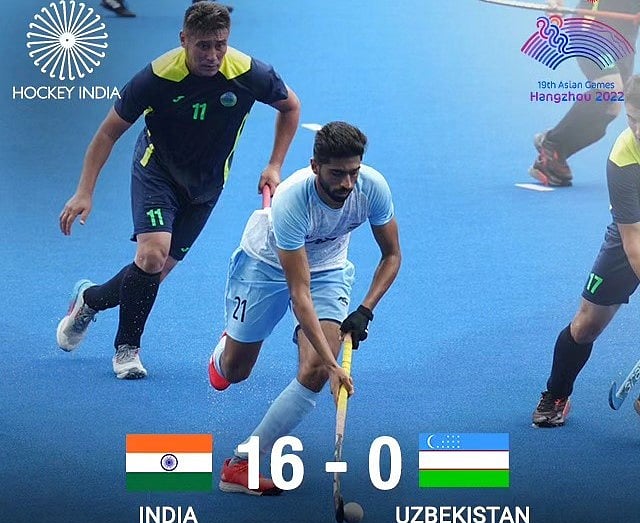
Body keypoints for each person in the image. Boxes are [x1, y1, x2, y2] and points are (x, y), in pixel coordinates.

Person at [56, 2, 300, 379]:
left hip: (207, 185)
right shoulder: (156, 78)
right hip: (157, 171)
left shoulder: (249, 73)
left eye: (220, 44)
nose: (212, 55)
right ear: (184, 39)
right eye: (203, 45)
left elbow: (291, 107)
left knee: (150, 275)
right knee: (152, 255)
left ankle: (89, 300)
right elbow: (107, 133)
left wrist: (274, 165)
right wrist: (84, 191)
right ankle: (127, 349)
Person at [206, 121, 401, 495]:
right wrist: (334, 364)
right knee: (235, 371)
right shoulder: (293, 201)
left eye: (353, 172)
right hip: (266, 264)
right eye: (337, 174)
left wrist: (365, 310)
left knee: (313, 370)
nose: (347, 183)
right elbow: (299, 294)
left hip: (328, 268)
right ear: (315, 167)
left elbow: (392, 255)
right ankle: (226, 349)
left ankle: (242, 463)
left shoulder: (372, 187)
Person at [533, 74, 640, 427]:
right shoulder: (624, 156)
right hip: (632, 235)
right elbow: (633, 243)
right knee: (586, 325)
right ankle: (557, 393)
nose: (638, 130)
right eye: (632, 119)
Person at [529, 0, 640, 187]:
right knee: (610, 90)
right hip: (592, 28)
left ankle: (556, 150)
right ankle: (551, 146)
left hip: (624, 38)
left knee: (611, 109)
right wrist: (555, 5)